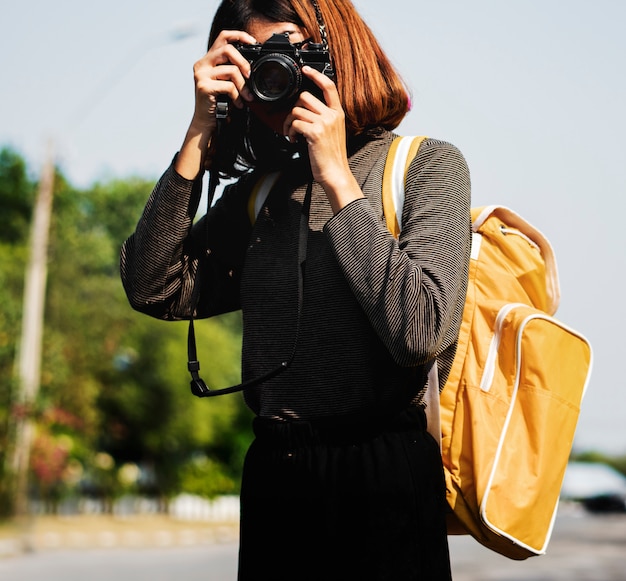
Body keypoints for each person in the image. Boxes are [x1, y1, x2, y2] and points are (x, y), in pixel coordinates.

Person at [120, 0, 471, 579]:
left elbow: (421, 332)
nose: (271, 72)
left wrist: (337, 179)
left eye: (286, 48)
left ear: (338, 50)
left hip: (383, 472)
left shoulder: (426, 165)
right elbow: (154, 286)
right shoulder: (263, 194)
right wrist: (199, 131)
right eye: (250, 58)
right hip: (277, 476)